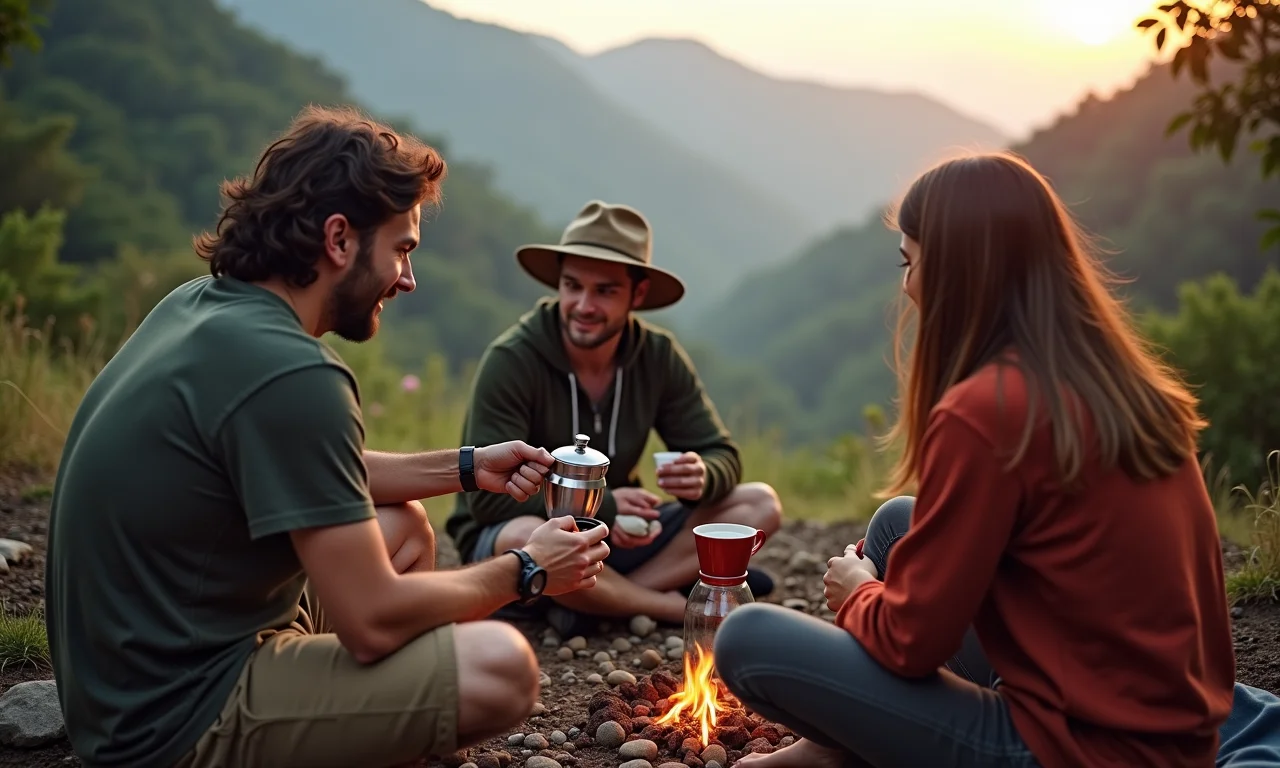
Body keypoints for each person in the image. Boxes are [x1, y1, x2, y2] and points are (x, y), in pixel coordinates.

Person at [43, 105, 611, 768]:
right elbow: (370, 620)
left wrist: (466, 467)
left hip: (127, 676)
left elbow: (311, 465)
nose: (408, 277)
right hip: (171, 719)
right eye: (401, 249)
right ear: (339, 239)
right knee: (500, 669)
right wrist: (529, 568)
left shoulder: (203, 304)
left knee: (403, 529)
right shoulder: (295, 373)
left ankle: (363, 725)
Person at [711, 151, 1238, 768]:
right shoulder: (1118, 387)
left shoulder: (987, 411)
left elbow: (910, 643)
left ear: (959, 270)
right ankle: (832, 753)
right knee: (896, 524)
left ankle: (849, 742)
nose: (906, 285)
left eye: (910, 261)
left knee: (748, 639)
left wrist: (858, 593)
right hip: (1176, 739)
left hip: (1073, 751)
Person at [445, 200, 782, 635]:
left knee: (758, 504)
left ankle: (595, 601)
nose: (584, 305)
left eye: (604, 291)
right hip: (517, 541)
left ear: (637, 295)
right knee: (527, 534)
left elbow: (722, 455)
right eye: (572, 286)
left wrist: (703, 474)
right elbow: (486, 498)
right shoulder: (512, 359)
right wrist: (609, 505)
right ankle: (663, 605)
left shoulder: (657, 356)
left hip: (615, 542)